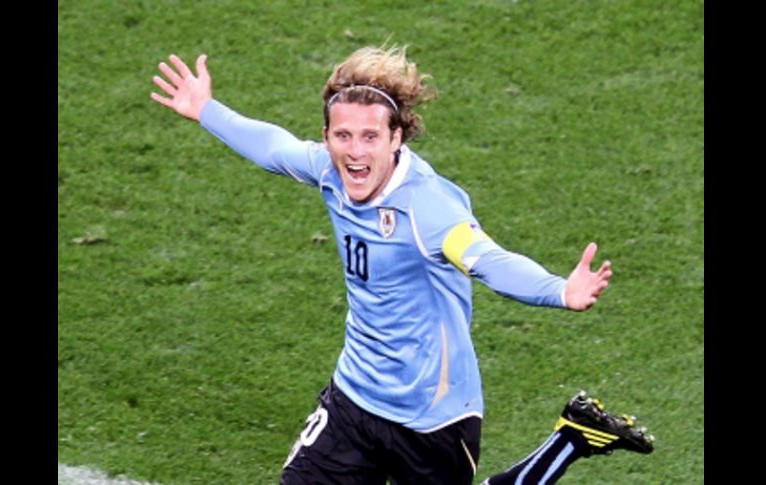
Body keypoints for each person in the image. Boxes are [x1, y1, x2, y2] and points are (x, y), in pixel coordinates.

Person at [150, 46, 654, 484]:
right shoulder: (329, 171)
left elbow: (487, 261)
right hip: (353, 400)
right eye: (343, 136)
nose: (355, 152)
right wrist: (206, 109)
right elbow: (274, 147)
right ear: (327, 137)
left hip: (432, 419)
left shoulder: (427, 209)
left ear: (397, 139)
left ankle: (572, 438)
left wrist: (558, 290)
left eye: (370, 137)